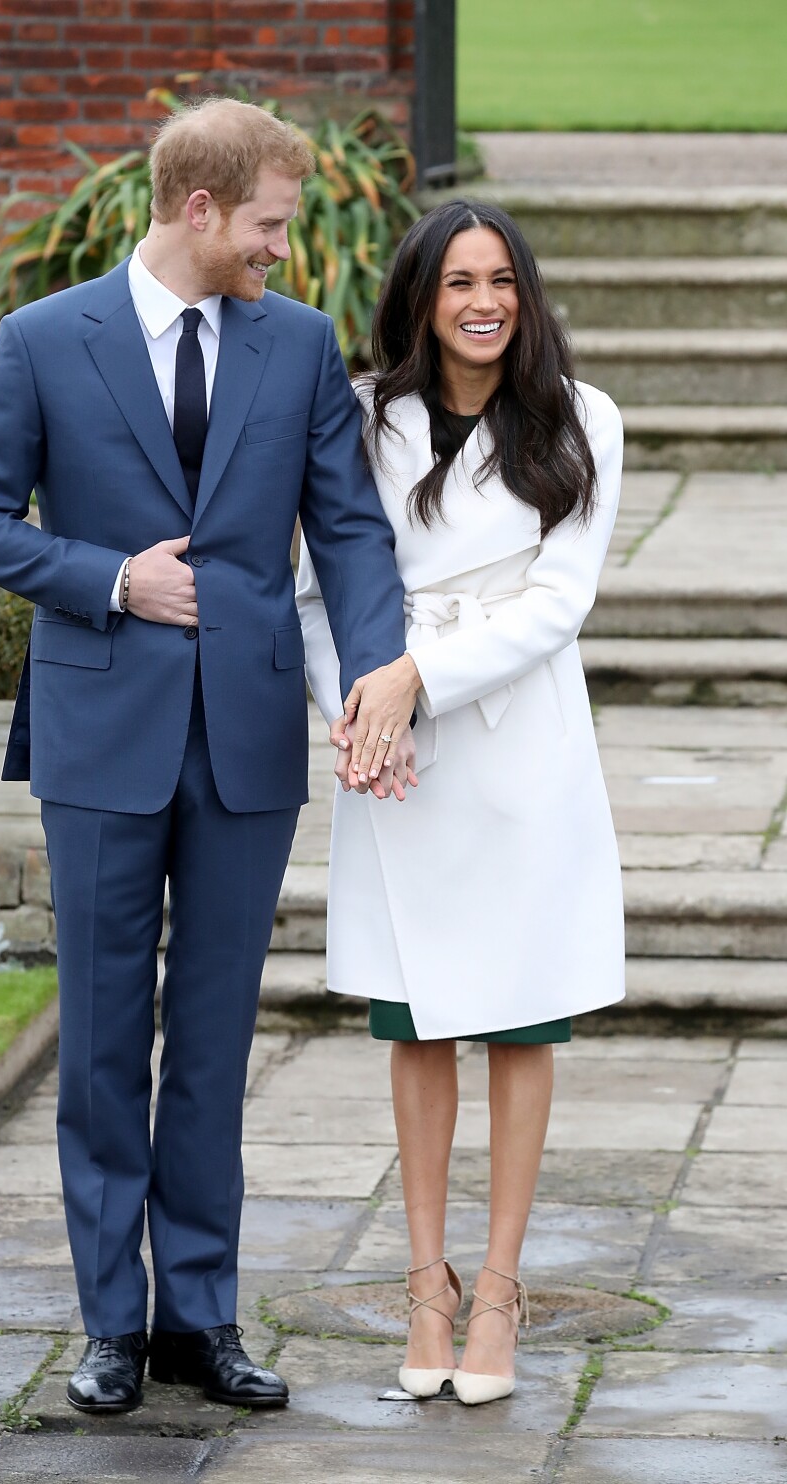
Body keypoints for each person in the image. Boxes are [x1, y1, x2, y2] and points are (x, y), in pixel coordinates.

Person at [0, 98, 409, 1414]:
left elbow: (353, 533)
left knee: (210, 1041)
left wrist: (378, 675)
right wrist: (106, 579)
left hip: (247, 742)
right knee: (99, 1041)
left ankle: (199, 1317)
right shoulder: (44, 342)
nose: (282, 245)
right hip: (100, 737)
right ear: (200, 209)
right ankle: (108, 1325)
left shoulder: (302, 346)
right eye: (267, 222)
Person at [296, 199, 625, 1406]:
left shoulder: (583, 418)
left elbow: (559, 601)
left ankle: (498, 1290)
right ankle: (424, 1282)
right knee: (417, 1017)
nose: (483, 301)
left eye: (502, 280)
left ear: (524, 295)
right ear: (421, 299)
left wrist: (416, 678)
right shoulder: (365, 419)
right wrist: (359, 710)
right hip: (396, 755)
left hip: (518, 744)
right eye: (457, 283)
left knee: (524, 1017)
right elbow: (324, 589)